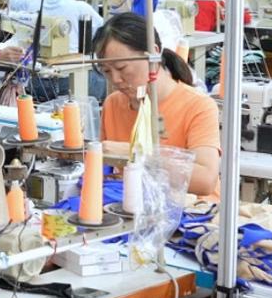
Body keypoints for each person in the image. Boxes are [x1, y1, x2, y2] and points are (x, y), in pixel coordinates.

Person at [93, 12, 220, 200]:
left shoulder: (198, 106)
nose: (116, 79)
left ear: (153, 53)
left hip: (195, 212)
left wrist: (135, 154)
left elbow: (205, 180)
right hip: (137, 207)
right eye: (106, 71)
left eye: (121, 68)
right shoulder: (113, 104)